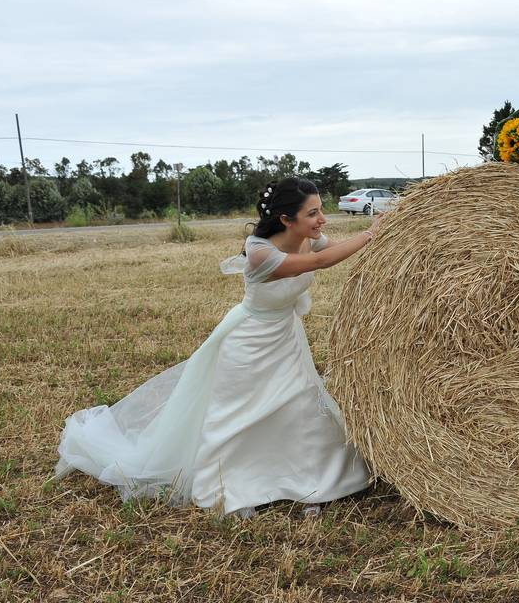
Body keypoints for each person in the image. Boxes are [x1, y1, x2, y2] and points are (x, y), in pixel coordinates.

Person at [55, 177, 381, 518]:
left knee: (300, 405)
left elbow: (334, 248)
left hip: (287, 337)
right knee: (241, 414)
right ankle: (233, 485)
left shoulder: (309, 238)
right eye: (313, 213)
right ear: (286, 219)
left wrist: (377, 230)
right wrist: (369, 235)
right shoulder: (260, 252)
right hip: (249, 342)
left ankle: (316, 481)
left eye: (321, 211)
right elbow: (321, 262)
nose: (322, 219)